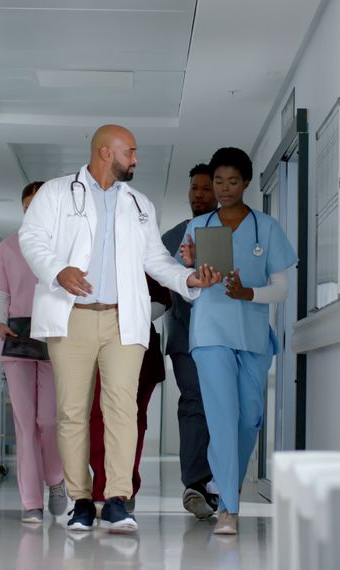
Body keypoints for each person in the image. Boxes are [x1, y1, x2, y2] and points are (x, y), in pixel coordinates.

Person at [18, 124, 222, 534]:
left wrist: (186, 280)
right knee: (72, 411)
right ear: (105, 152)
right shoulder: (57, 193)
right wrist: (58, 271)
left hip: (122, 318)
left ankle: (115, 499)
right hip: (71, 315)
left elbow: (155, 259)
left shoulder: (139, 204)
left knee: (122, 410)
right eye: (131, 151)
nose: (136, 158)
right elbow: (31, 237)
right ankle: (80, 500)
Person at [178, 147, 297, 535]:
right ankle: (228, 507)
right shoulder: (198, 228)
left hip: (252, 333)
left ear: (246, 183)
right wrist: (187, 264)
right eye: (218, 182)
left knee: (249, 418)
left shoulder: (267, 227)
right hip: (210, 331)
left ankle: (222, 481)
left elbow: (280, 290)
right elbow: (186, 284)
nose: (224, 189)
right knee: (222, 417)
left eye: (232, 182)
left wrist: (250, 294)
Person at [0, 182, 68, 524]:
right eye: (26, 206)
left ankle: (56, 479)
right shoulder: (8, 246)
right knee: (24, 424)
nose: (31, 211)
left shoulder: (64, 246)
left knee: (48, 420)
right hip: (18, 337)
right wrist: (0, 323)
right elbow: (2, 294)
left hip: (53, 336)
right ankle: (31, 502)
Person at [160, 163, 220, 519]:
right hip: (186, 336)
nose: (199, 195)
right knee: (195, 402)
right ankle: (195, 485)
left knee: (224, 406)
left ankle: (218, 480)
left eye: (205, 189)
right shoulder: (171, 238)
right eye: (194, 189)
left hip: (226, 335)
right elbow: (163, 287)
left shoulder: (233, 231)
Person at [88, 274, 171, 511]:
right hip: (97, 347)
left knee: (132, 421)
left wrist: (129, 316)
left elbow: (161, 302)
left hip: (140, 350)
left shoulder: (145, 259)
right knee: (97, 418)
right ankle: (103, 485)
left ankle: (124, 487)